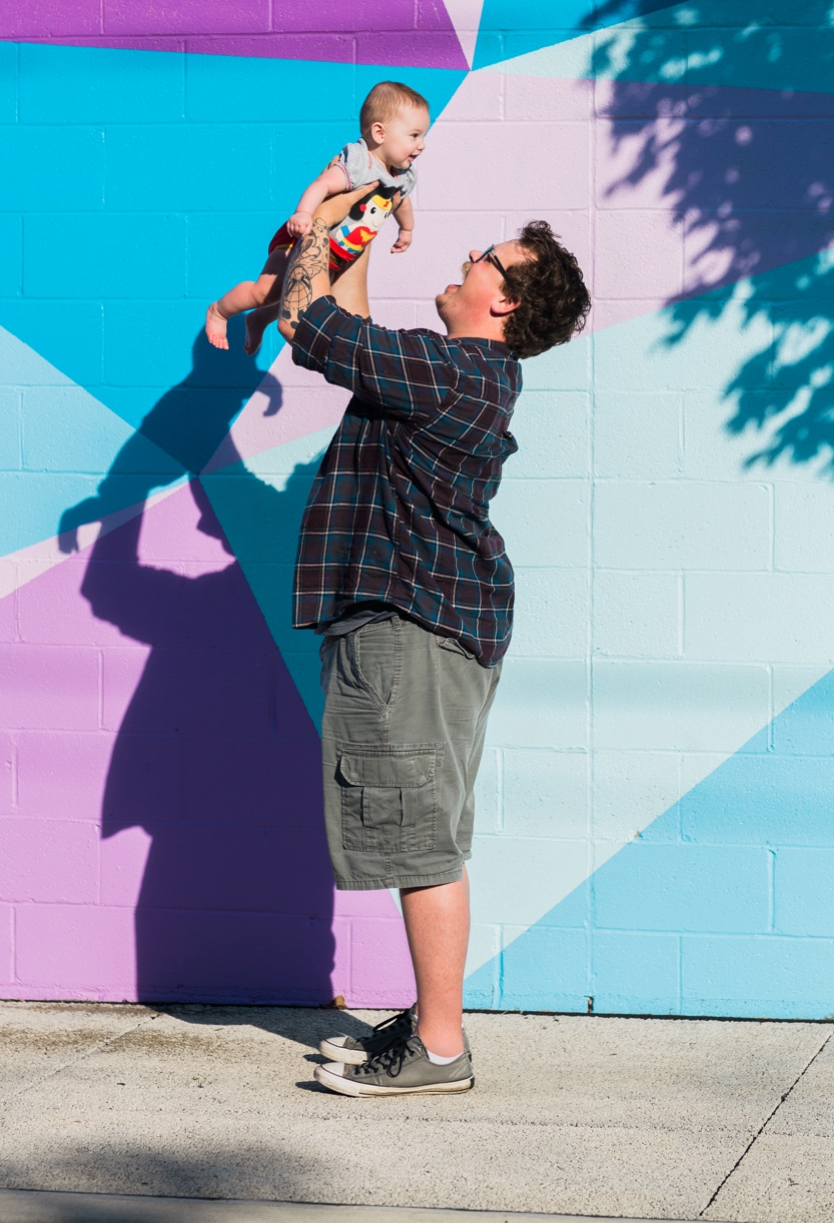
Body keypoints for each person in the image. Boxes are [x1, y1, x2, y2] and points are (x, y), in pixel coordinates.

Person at [275, 204, 589, 1096]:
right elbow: (360, 331)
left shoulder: (454, 372)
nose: (468, 256)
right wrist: (362, 230)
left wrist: (323, 221)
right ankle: (431, 1023)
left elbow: (309, 323)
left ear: (504, 303)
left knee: (421, 844)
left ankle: (440, 1049)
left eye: (487, 257)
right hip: (431, 622)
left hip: (409, 622)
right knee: (429, 833)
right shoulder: (451, 372)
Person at [205, 80, 428, 353]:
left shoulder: (403, 173)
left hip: (336, 253)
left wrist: (407, 229)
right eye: (414, 135)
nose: (422, 145)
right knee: (266, 291)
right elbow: (322, 183)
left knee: (295, 295)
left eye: (423, 136)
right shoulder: (360, 163)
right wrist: (304, 213)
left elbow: (399, 201)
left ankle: (258, 318)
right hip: (303, 236)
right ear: (379, 133)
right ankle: (219, 311)